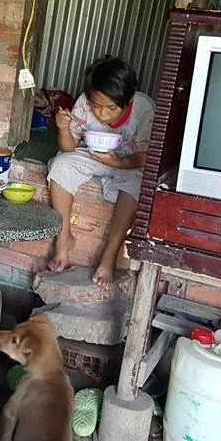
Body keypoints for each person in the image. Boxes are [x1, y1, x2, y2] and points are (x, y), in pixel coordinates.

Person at [47, 56, 155, 287]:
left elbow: (147, 157)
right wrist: (63, 128)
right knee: (60, 164)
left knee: (138, 184)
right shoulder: (84, 102)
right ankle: (63, 239)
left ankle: (109, 255)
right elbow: (68, 147)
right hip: (92, 155)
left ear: (128, 100)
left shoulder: (144, 109)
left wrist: (120, 163)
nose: (102, 114)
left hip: (129, 162)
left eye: (111, 108)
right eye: (97, 106)